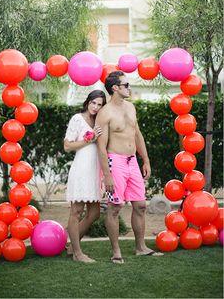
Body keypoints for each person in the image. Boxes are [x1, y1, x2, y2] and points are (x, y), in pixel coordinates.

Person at [96, 71, 163, 264]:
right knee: (115, 207)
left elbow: (137, 134)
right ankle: (116, 252)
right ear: (115, 88)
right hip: (114, 162)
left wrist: (146, 159)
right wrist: (107, 175)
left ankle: (141, 248)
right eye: (126, 85)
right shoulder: (105, 113)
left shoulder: (131, 108)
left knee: (140, 206)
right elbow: (101, 146)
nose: (129, 88)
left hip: (132, 160)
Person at [64, 90, 106, 263]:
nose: (95, 107)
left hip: (95, 171)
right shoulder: (77, 119)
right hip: (81, 169)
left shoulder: (100, 122)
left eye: (99, 104)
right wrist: (89, 140)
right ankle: (77, 253)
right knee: (77, 211)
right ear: (88, 102)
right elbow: (67, 146)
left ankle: (71, 245)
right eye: (93, 103)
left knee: (95, 213)